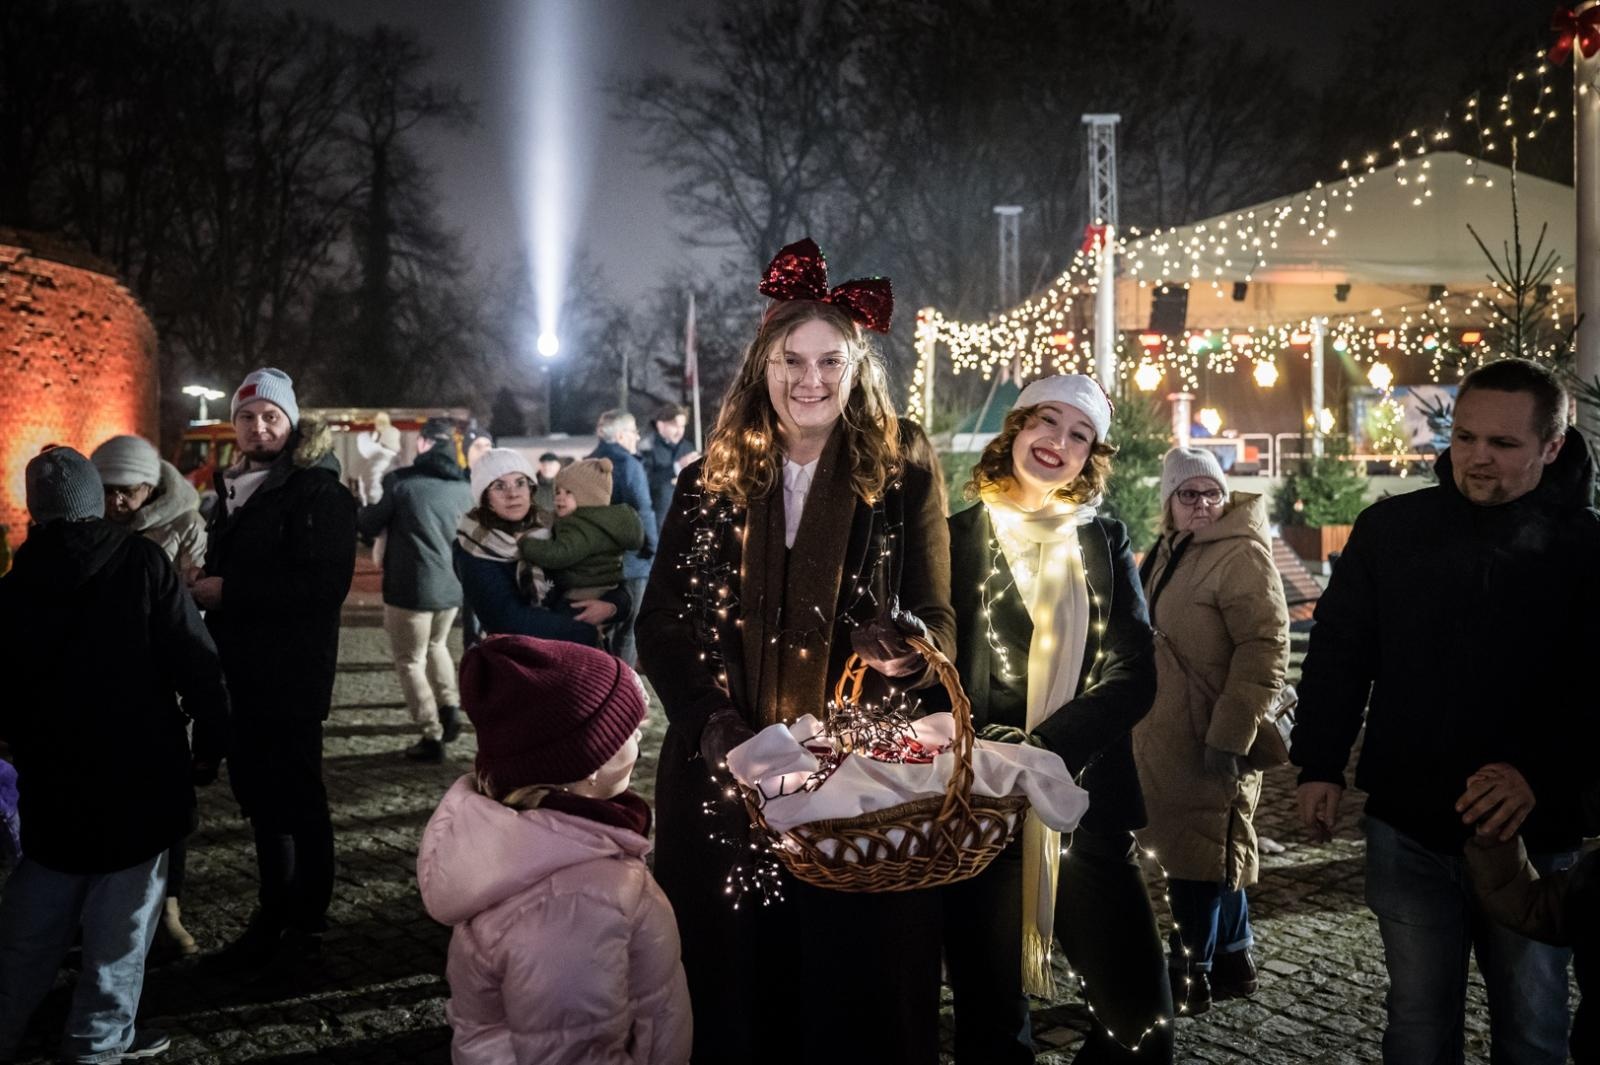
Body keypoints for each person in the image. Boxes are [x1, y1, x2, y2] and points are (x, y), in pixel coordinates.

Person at [638, 237, 954, 1065]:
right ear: (762, 365)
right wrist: (712, 723)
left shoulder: (901, 467)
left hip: (857, 782)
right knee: (734, 989)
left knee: (853, 992)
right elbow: (661, 622)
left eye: (830, 361)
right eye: (792, 360)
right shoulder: (708, 477)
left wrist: (908, 655)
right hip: (726, 778)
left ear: (857, 369)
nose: (810, 380)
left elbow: (939, 618)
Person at [1293, 357, 1600, 1065]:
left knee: (1533, 1029)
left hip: (1535, 837)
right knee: (1418, 1028)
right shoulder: (1393, 529)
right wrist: (1319, 762)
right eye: (1464, 437)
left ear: (1553, 446)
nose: (1477, 458)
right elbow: (1341, 650)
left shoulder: (1586, 548)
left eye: (1502, 443)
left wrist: (1541, 778)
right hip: (1409, 821)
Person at [940, 374, 1172, 1065]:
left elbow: (1135, 672)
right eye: (1048, 421)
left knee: (1139, 1017)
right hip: (979, 813)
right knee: (988, 1019)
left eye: (1080, 435)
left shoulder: (1102, 540)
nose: (1059, 442)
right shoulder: (953, 539)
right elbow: (934, 670)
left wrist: (1042, 753)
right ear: (1015, 428)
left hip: (1083, 812)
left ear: (1091, 455)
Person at [0, 447, 228, 1064]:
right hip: (141, 779)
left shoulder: (15, 587)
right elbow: (197, 660)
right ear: (93, 499)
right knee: (121, 933)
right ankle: (96, 1046)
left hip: (52, 786)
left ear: (36, 509)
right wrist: (209, 746)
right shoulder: (142, 563)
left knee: (32, 925)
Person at [417, 635, 692, 1065]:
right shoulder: (571, 904)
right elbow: (573, 1049)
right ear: (588, 761)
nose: (641, 732)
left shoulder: (545, 842)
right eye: (627, 729)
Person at [192, 367, 357, 972]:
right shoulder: (233, 489)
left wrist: (228, 591)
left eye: (270, 417)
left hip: (291, 676)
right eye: (247, 416)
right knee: (260, 801)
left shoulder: (319, 493)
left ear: (290, 423)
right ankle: (272, 914)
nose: (259, 427)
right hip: (242, 673)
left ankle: (305, 927)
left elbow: (323, 585)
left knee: (299, 800)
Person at [1132, 448, 1288, 1015]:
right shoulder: (1173, 552)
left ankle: (1191, 971)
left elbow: (1265, 646)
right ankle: (1233, 957)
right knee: (1208, 846)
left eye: (1211, 493)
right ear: (1169, 504)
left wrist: (1232, 730)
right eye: (1188, 494)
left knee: (1199, 855)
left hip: (1212, 730)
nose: (1202, 504)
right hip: (1168, 730)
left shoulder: (1240, 554)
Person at [90, 433, 213, 959]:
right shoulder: (88, 524)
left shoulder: (185, 525)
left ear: (150, 487)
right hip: (101, 678)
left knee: (169, 800)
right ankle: (97, 905)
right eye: (108, 491)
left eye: (128, 492)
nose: (117, 503)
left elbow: (192, 603)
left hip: (160, 676)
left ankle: (168, 907)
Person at [357, 417, 475, 764]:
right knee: (437, 646)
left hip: (411, 587)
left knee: (410, 660)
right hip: (451, 586)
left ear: (423, 444)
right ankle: (450, 707)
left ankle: (431, 733)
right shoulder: (464, 486)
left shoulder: (402, 483)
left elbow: (368, 523)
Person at [454, 448, 627, 647]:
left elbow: (613, 583)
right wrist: (586, 632)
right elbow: (506, 619)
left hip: (577, 658)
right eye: (499, 486)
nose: (513, 494)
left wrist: (612, 607)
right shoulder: (473, 545)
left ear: (531, 489)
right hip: (520, 661)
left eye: (520, 483)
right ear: (485, 498)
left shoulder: (557, 527)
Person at [517, 457, 644, 620]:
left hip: (581, 592)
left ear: (589, 496)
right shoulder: (607, 522)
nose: (559, 498)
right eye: (557, 491)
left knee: (566, 629)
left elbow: (560, 554)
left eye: (569, 492)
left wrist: (525, 544)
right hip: (607, 587)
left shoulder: (581, 525)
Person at [588, 411, 656, 667]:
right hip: (631, 561)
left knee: (603, 627)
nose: (637, 437)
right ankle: (622, 687)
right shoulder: (628, 464)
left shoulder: (587, 462)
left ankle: (601, 679)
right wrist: (652, 548)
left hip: (596, 560)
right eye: (633, 431)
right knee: (629, 628)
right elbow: (643, 509)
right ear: (619, 435)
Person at [637, 403, 698, 533]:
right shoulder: (647, 448)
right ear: (660, 425)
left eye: (682, 426)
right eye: (675, 426)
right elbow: (645, 482)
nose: (680, 431)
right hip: (659, 519)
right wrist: (676, 467)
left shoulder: (687, 447)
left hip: (685, 517)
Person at [534, 452, 561, 524]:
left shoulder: (567, 486)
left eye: (551, 464)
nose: (547, 467)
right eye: (544, 464)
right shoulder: (531, 486)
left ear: (558, 466)